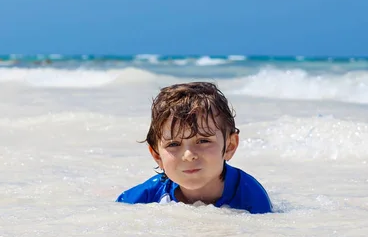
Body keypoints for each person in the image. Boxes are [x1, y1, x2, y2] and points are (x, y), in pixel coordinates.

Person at [116, 82, 272, 214]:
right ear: (157, 155)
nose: (189, 155)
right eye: (174, 144)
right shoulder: (144, 198)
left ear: (230, 146)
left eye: (203, 141)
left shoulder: (250, 198)